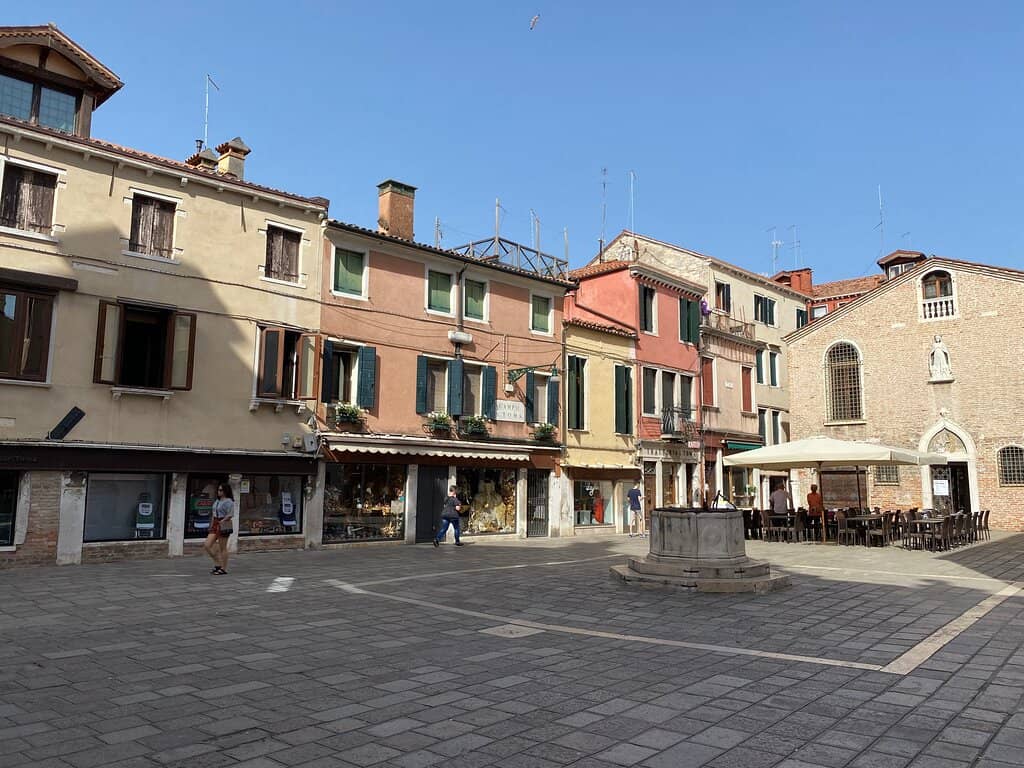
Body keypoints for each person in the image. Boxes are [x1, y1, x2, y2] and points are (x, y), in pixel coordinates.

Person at [204, 482, 234, 575]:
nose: (218, 492)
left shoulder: (229, 501)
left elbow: (230, 514)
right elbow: (213, 513)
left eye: (221, 490)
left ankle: (223, 568)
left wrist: (223, 520)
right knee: (207, 545)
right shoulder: (217, 501)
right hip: (215, 523)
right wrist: (212, 524)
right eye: (218, 490)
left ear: (225, 491)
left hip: (223, 523)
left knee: (222, 548)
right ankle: (218, 563)